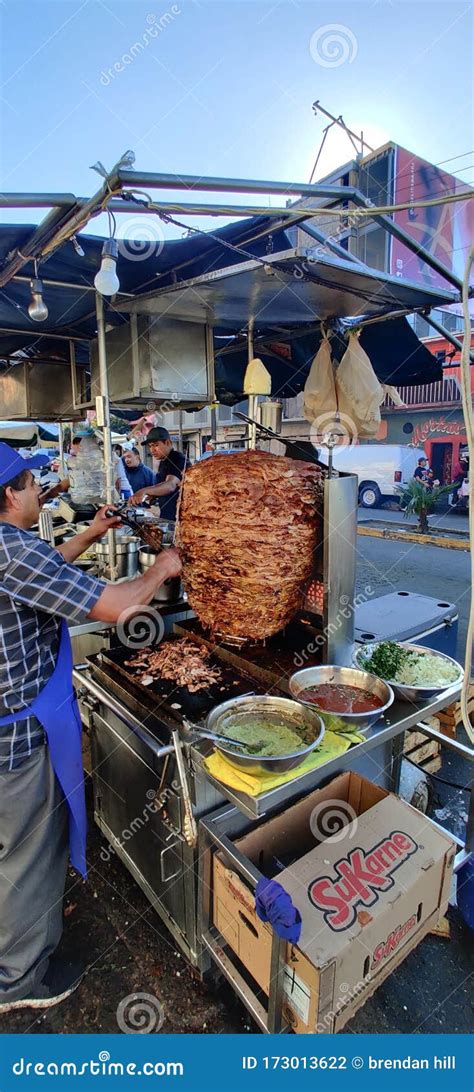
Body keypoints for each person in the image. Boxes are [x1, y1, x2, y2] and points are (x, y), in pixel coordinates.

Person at [0, 442, 181, 1013]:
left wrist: (93, 533)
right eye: (31, 484)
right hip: (17, 740)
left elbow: (44, 573)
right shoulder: (12, 553)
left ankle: (23, 928)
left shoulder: (14, 550)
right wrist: (162, 567)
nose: (40, 491)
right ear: (9, 494)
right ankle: (19, 982)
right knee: (25, 852)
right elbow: (118, 606)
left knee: (14, 849)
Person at [130, 427, 187, 522]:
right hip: (167, 517)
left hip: (179, 519)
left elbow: (170, 485)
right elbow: (162, 488)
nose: (152, 450)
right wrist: (149, 496)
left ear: (168, 443)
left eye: (156, 445)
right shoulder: (164, 461)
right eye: (150, 446)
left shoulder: (177, 459)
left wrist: (144, 490)